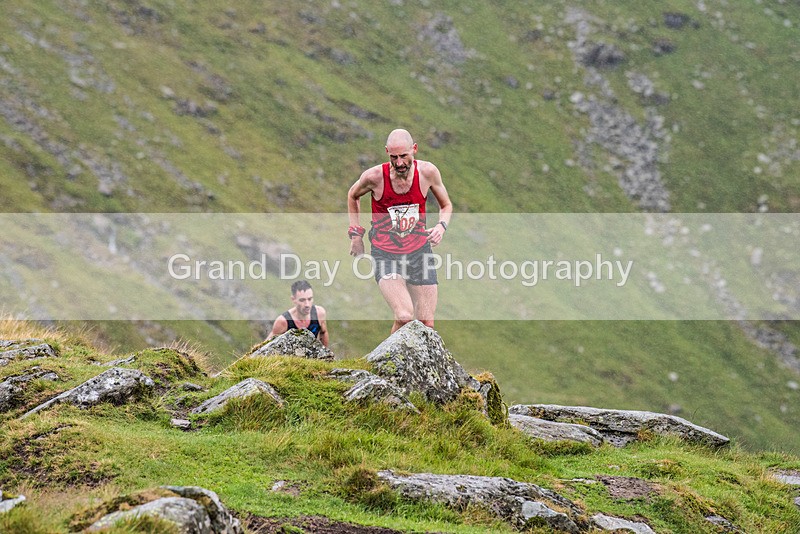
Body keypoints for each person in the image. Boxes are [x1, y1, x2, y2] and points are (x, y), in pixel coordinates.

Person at [347, 128, 452, 333]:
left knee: (426, 324)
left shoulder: (428, 173)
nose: (400, 163)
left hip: (419, 253)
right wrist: (356, 235)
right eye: (394, 157)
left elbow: (446, 205)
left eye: (404, 156)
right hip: (386, 254)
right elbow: (353, 195)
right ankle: (385, 361)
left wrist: (441, 226)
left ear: (414, 149)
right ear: (387, 152)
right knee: (404, 316)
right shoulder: (374, 177)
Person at [268, 280, 329, 346]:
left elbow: (323, 332)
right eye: (302, 300)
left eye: (310, 299)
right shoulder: (283, 321)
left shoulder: (319, 313)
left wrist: (325, 353)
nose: (307, 304)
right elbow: (265, 346)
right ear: (293, 299)